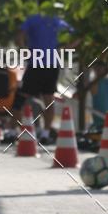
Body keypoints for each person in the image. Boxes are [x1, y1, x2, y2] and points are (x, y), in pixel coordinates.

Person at [15, 10, 77, 143]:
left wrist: (24, 49)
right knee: (48, 99)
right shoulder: (58, 21)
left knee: (21, 98)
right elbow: (77, 36)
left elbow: (20, 35)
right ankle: (45, 133)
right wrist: (65, 49)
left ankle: (13, 131)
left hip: (35, 64)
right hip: (52, 65)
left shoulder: (33, 19)